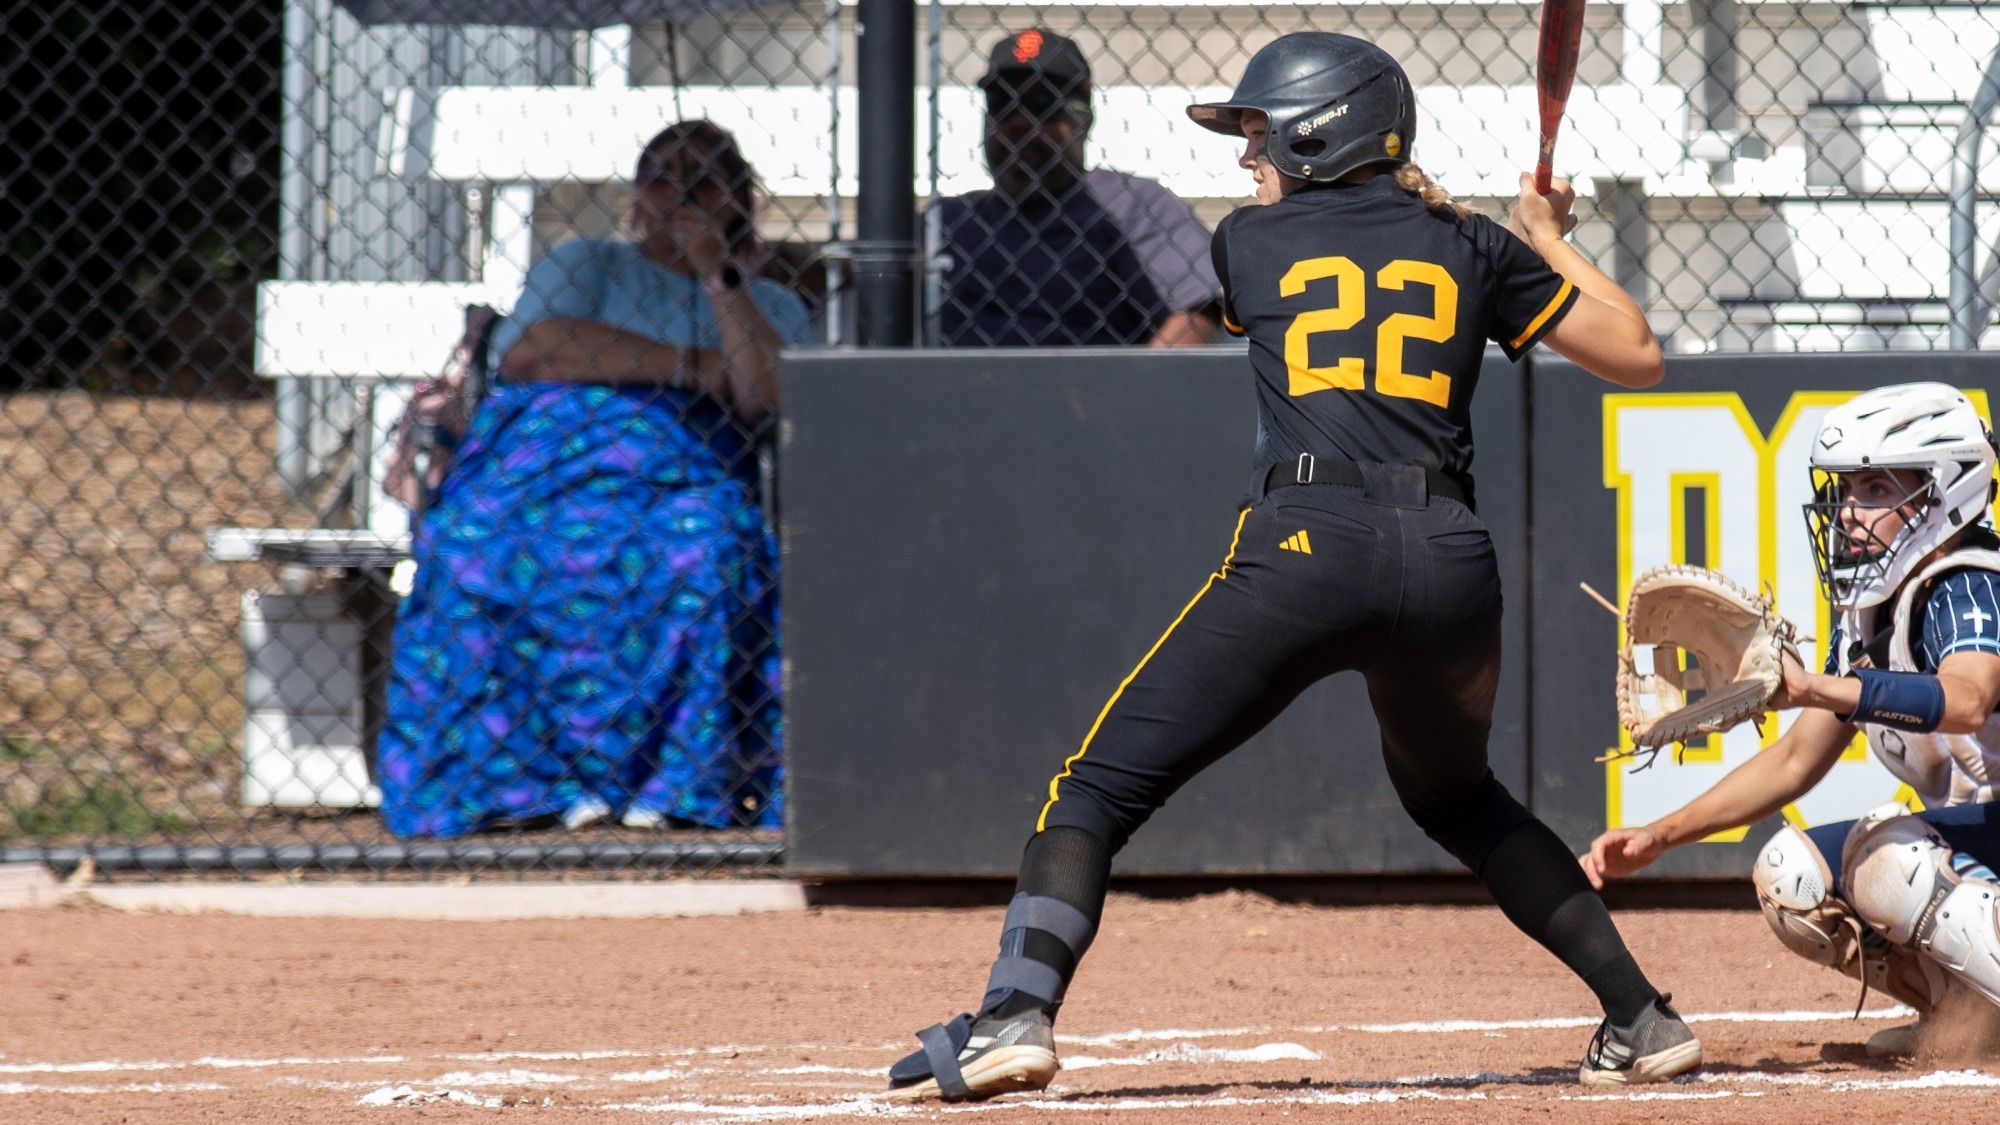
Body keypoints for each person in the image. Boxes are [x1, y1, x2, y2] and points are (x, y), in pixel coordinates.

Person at [885, 33, 1687, 1103]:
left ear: (1322, 131)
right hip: (1449, 561)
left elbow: (1310, 276)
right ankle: (1639, 1016)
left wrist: (1502, 235)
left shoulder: (1248, 242)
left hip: (1306, 546)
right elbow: (1635, 352)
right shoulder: (1472, 243)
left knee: (1093, 787)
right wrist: (1544, 239)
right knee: (1458, 798)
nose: (1246, 156)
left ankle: (1013, 1016)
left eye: (1259, 132)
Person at [375, 120, 810, 839]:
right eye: (663, 176)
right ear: (639, 194)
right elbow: (535, 351)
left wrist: (717, 275)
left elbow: (762, 393)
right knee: (471, 543)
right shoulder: (589, 264)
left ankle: (672, 786)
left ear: (739, 199)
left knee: (706, 547)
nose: (681, 193)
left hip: (679, 478)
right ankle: (512, 789)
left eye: (704, 180)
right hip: (541, 466)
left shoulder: (768, 302)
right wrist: (692, 366)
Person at [1583, 382, 2000, 1060]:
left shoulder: (1970, 580)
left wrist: (1817, 685)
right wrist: (1661, 834)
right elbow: (1794, 761)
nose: (1847, 513)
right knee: (1791, 873)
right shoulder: (1871, 612)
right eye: (1847, 490)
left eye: (1873, 489)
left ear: (1940, 490)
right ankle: (1974, 1020)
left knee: (1888, 856)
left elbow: (1969, 697)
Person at [933, 28, 1223, 347]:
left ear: (1083, 120)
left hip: (1092, 390)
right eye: (1002, 103)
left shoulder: (1129, 203)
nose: (1018, 123)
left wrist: (1137, 390)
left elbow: (1198, 314)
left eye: (1041, 104)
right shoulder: (950, 221)